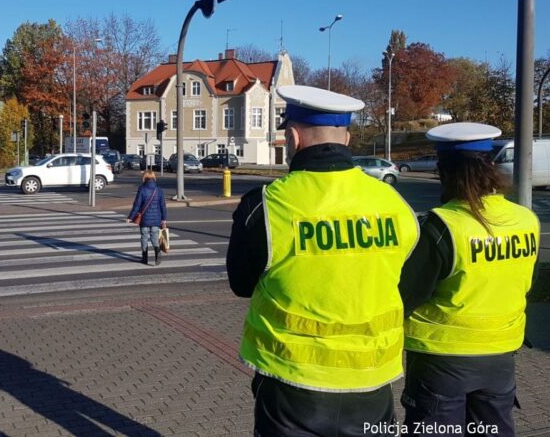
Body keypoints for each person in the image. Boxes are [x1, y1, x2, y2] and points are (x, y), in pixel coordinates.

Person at [227, 85, 420, 437]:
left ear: (294, 137)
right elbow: (405, 284)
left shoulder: (266, 204)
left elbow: (241, 285)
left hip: (290, 385)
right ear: (346, 138)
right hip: (373, 382)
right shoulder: (395, 204)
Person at [399, 122, 539, 437]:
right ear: (490, 166)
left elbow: (406, 295)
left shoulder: (442, 225)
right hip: (501, 355)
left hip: (442, 360)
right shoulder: (525, 219)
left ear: (444, 171)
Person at [127, 169, 167, 266]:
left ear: (144, 178)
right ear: (154, 177)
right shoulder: (159, 190)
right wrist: (164, 219)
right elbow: (163, 206)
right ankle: (157, 252)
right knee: (154, 237)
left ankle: (144, 258)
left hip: (144, 219)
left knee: (144, 237)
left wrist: (130, 217)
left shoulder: (142, 189)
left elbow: (137, 205)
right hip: (156, 219)